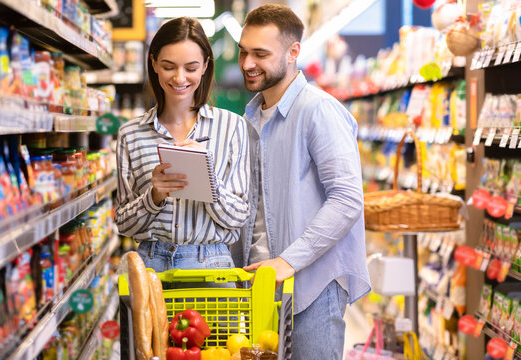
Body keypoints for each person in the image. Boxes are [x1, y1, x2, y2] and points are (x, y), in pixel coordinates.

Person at [231, 4, 371, 359]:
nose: (248, 63)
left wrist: (289, 260)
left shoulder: (317, 110)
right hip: (261, 285)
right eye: (243, 52)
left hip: (312, 285)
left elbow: (347, 199)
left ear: (294, 52)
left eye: (261, 54)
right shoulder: (251, 116)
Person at [115, 17, 250, 273]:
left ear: (205, 66)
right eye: (169, 66)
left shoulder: (232, 126)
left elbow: (239, 217)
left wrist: (207, 180)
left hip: (212, 265)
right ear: (153, 63)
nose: (179, 78)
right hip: (150, 267)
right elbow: (124, 224)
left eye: (191, 67)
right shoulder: (131, 134)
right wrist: (153, 197)